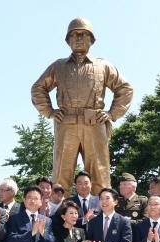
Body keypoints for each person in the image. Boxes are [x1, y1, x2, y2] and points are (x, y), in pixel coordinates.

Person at [31, 17, 133, 195]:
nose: (78, 38)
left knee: (99, 172)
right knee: (62, 171)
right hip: (66, 123)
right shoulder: (58, 66)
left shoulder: (103, 65)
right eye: (74, 34)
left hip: (94, 123)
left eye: (83, 34)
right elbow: (38, 88)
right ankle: (59, 212)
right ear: (68, 40)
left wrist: (111, 113)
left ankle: (102, 213)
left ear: (91, 40)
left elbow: (125, 88)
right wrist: (49, 111)